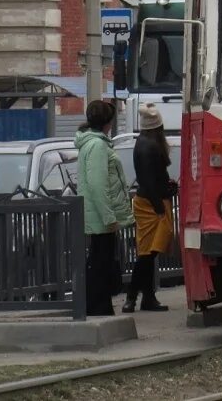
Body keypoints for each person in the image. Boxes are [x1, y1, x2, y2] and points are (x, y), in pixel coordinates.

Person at [75, 100, 134, 316]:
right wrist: (109, 216)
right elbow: (98, 184)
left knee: (98, 260)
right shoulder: (98, 146)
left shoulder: (89, 143)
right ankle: (98, 306)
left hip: (94, 214)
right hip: (101, 217)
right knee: (102, 261)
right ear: (107, 123)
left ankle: (97, 305)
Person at [124, 103, 177, 313]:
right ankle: (133, 297)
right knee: (147, 254)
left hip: (148, 201)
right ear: (159, 127)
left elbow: (150, 178)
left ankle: (147, 297)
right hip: (152, 204)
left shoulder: (143, 143)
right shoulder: (152, 146)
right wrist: (159, 207)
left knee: (148, 253)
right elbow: (149, 180)